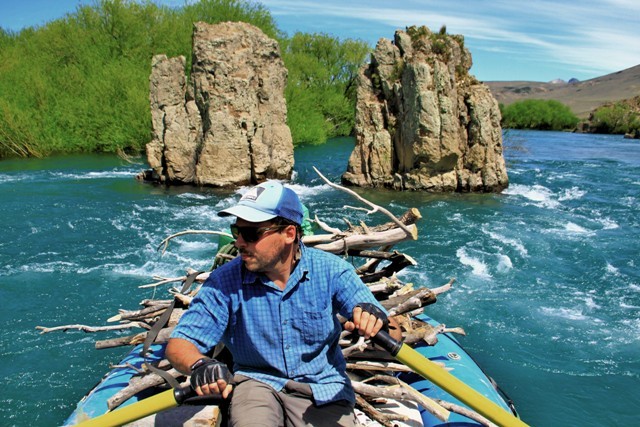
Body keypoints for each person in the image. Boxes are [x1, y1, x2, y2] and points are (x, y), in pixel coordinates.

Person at [166, 180, 401, 426]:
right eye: (237, 232)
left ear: (289, 233)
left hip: (321, 387)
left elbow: (393, 332)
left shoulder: (332, 271)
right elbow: (180, 344)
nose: (239, 243)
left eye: (250, 234)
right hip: (257, 384)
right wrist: (200, 364)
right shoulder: (224, 281)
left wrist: (377, 320)